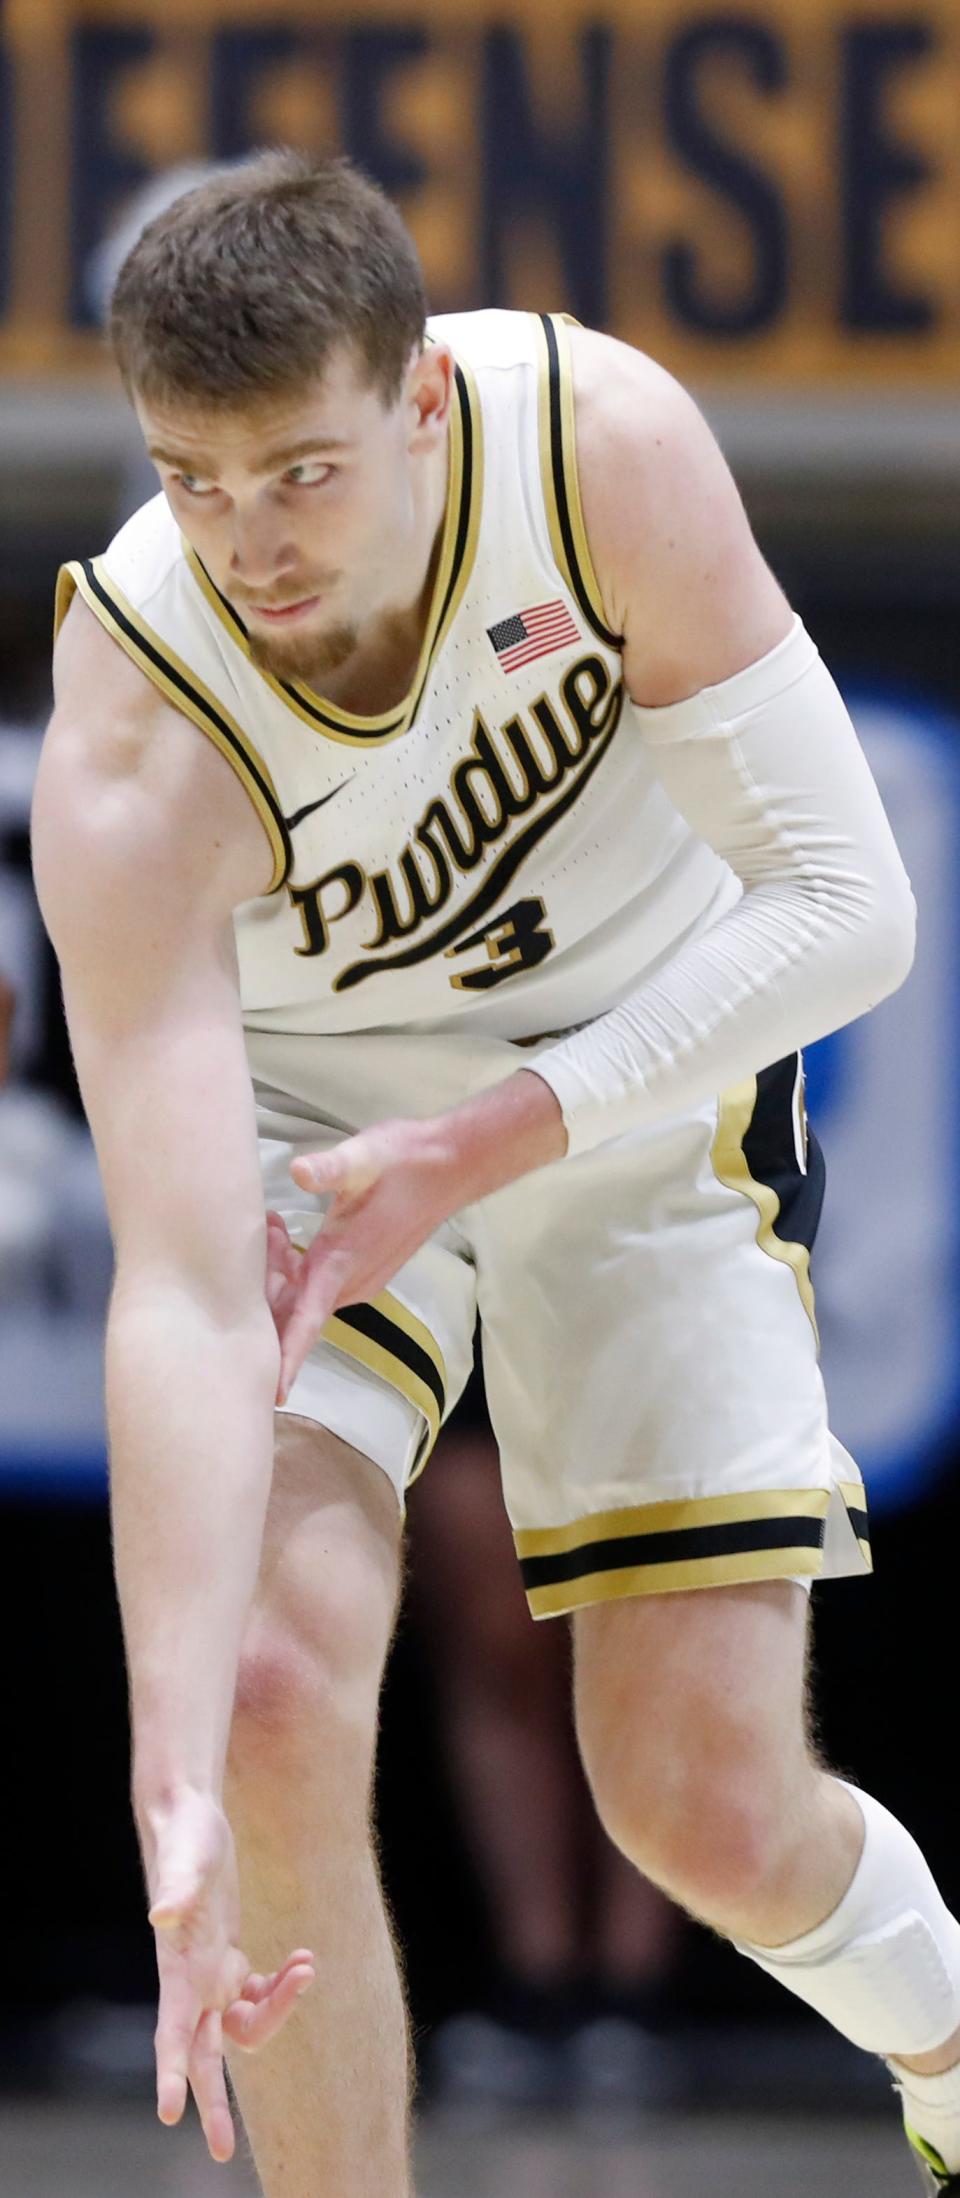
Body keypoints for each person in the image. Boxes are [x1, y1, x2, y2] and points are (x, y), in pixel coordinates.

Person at [28, 149, 959, 2197]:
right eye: (194, 479)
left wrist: (499, 1132)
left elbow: (850, 908)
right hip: (320, 1132)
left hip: (628, 1081)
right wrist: (165, 1768)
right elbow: (180, 1282)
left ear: (423, 404)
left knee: (707, 1810)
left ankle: (952, 2039)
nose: (250, 542)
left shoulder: (594, 440)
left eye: (301, 473)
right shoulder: (135, 722)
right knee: (265, 1696)